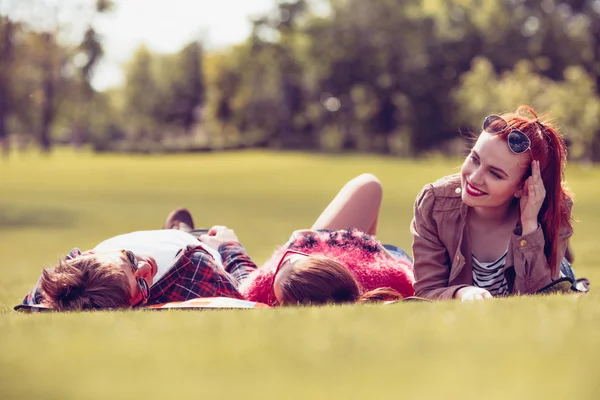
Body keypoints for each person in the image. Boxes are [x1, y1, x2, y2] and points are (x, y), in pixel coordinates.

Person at [410, 105, 585, 302]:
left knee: (561, 274)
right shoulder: (435, 203)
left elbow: (542, 298)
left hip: (552, 270)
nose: (475, 178)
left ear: (522, 187)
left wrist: (529, 225)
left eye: (495, 174)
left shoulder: (551, 209)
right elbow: (426, 290)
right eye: (474, 159)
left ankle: (566, 267)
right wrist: (461, 293)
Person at [20, 209, 258, 311]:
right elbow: (250, 292)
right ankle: (182, 231)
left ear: (90, 254)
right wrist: (230, 247)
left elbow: (37, 299)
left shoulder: (74, 272)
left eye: (131, 259)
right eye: (141, 284)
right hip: (199, 246)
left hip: (166, 240)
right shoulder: (197, 270)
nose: (146, 267)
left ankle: (177, 230)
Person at [239, 173, 415, 306]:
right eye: (292, 255)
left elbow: (238, 285)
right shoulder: (394, 277)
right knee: (369, 184)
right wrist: (369, 244)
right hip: (386, 258)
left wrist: (227, 243)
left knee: (369, 185)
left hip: (368, 259)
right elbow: (413, 277)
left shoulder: (260, 288)